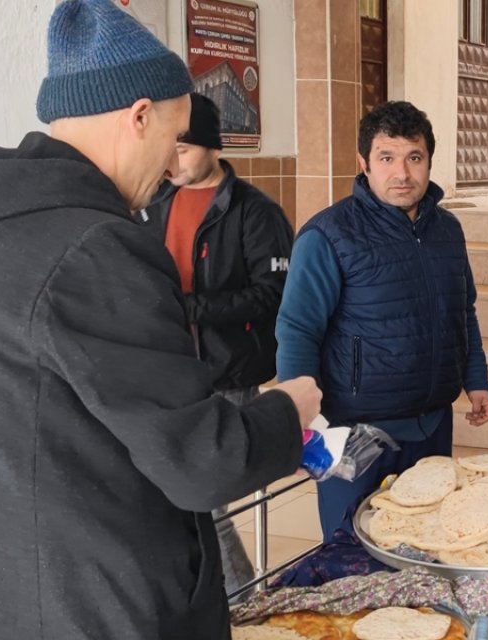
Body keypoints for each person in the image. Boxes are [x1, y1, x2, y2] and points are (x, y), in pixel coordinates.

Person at [0, 2, 322, 638]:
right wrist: (286, 413)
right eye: (172, 137)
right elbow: (201, 462)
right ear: (139, 116)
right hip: (94, 607)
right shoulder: (94, 250)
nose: (170, 166)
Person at [276, 100, 488, 540]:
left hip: (432, 426)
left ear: (430, 161)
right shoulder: (328, 236)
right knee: (353, 564)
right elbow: (298, 329)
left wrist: (477, 379)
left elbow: (461, 311)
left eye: (414, 158)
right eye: (386, 158)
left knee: (425, 553)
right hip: (357, 435)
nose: (402, 174)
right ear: (364, 163)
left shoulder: (447, 230)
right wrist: (302, 425)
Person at [140, 92, 295, 596]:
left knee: (209, 498)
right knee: (177, 494)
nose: (172, 160)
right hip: (167, 367)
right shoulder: (155, 202)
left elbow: (272, 294)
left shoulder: (254, 212)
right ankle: (205, 595)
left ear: (211, 146)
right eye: (169, 149)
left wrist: (192, 309)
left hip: (228, 371)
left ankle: (243, 598)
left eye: (182, 149)